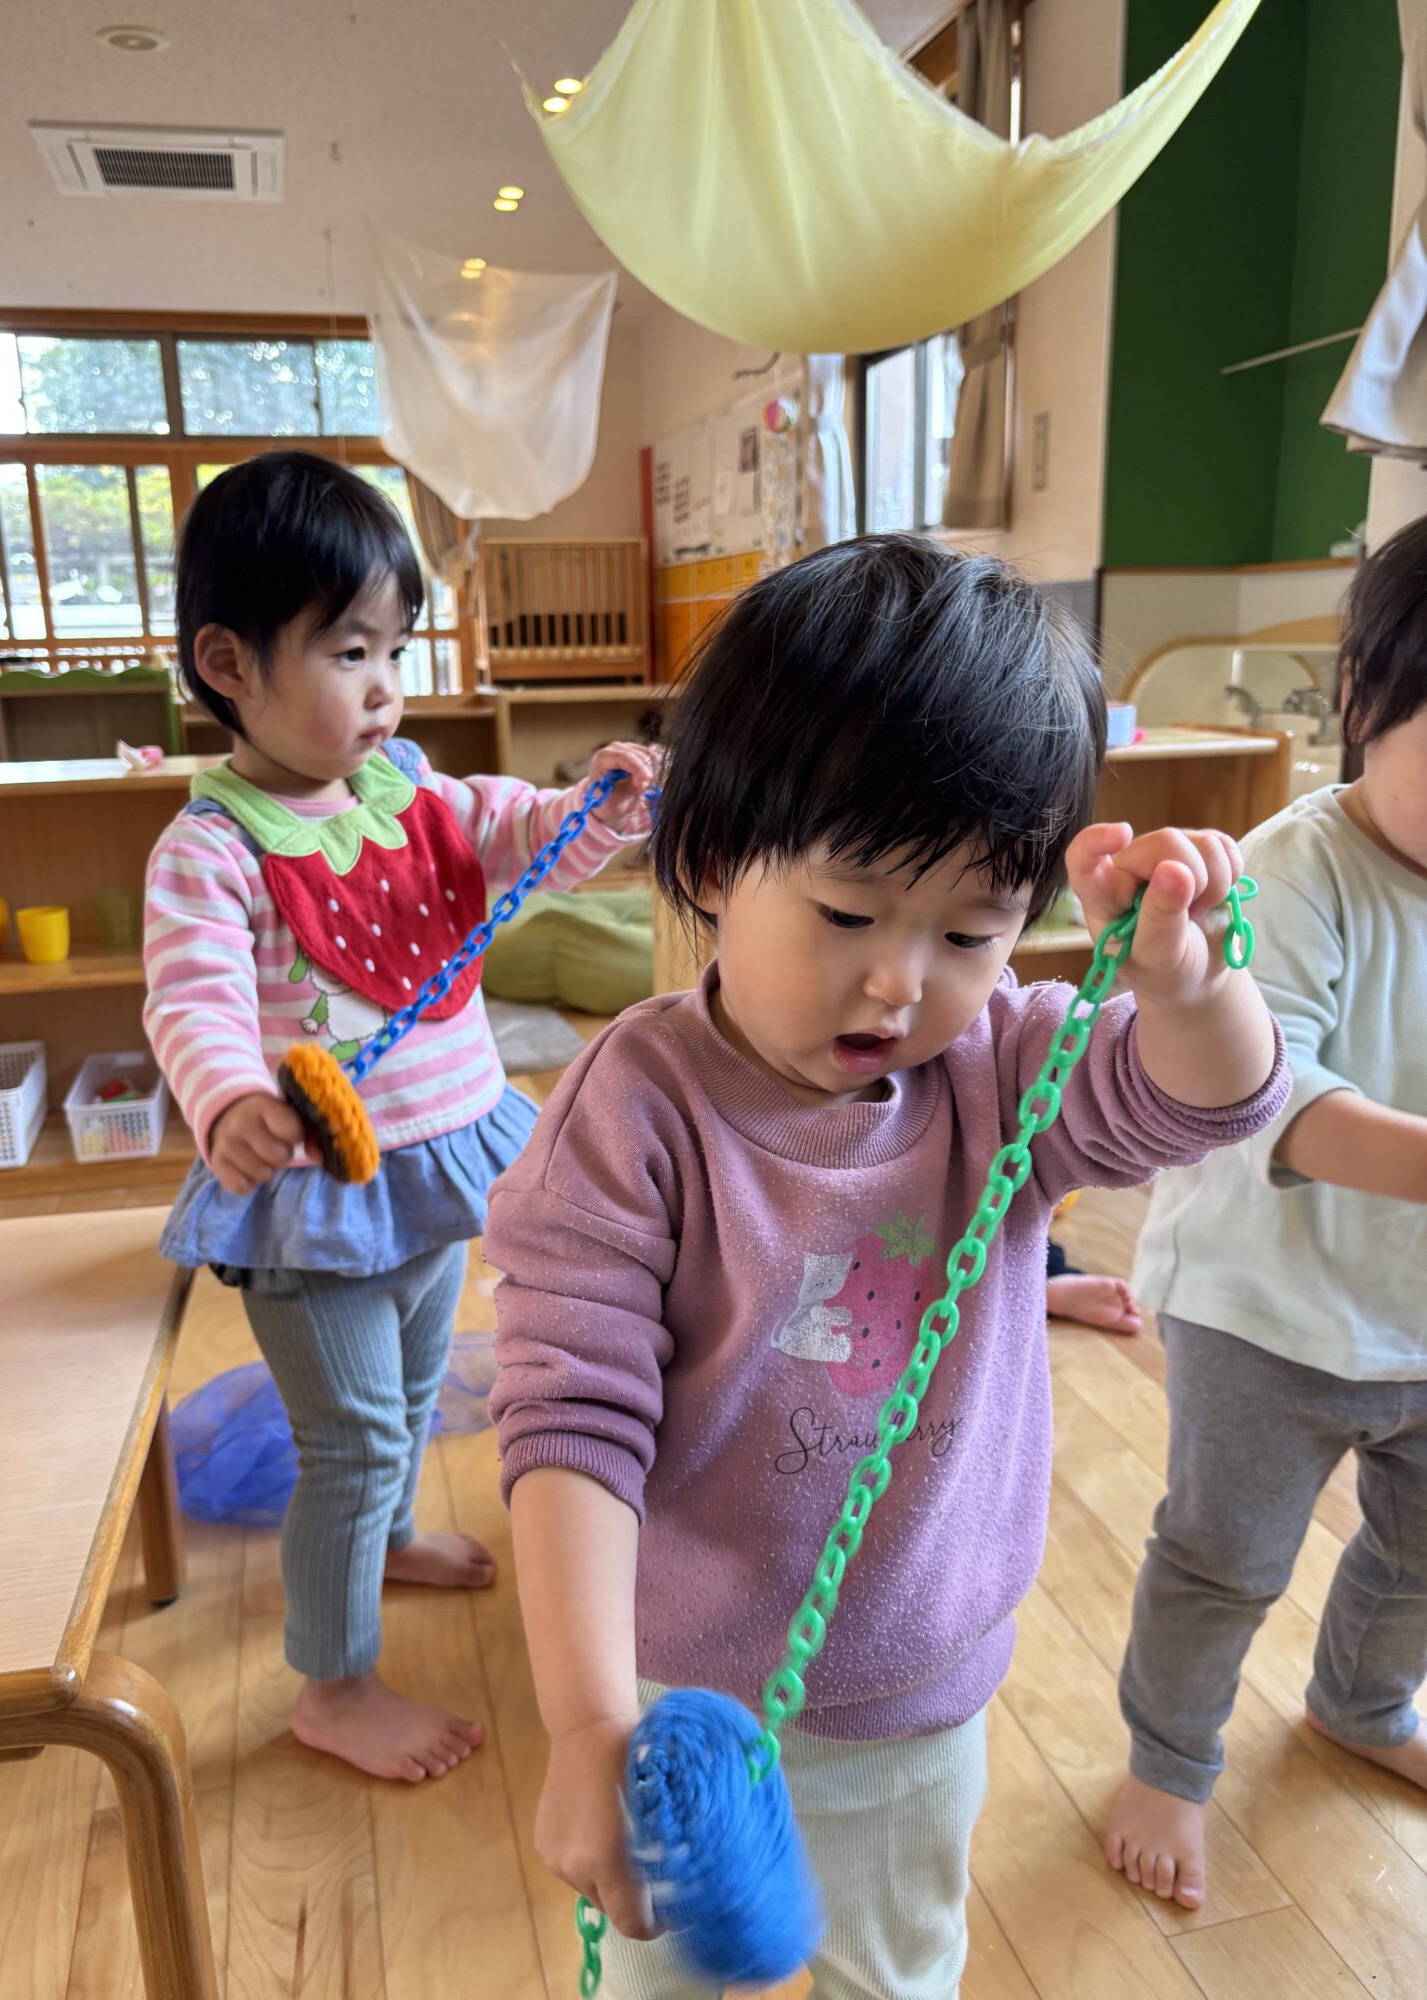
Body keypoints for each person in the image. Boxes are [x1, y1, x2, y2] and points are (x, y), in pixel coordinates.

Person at [487, 535, 1287, 2000]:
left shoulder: (1003, 1065)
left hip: (921, 1689)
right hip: (682, 1693)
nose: (899, 980)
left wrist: (1191, 987)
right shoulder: (635, 1111)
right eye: (849, 914)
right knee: (672, 1979)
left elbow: (1206, 1103)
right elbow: (569, 1416)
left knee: (899, 1968)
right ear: (714, 864)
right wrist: (590, 1720)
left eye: (971, 931)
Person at [143, 450, 656, 1783]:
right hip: (313, 1204)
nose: (386, 686)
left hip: (438, 1171)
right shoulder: (213, 847)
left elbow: (527, 831)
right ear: (230, 663)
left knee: (418, 1396)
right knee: (357, 1439)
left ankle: (383, 1543)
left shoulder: (413, 791)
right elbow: (192, 996)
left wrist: (593, 808)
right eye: (349, 652)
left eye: (396, 650)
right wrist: (228, 1095)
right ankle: (333, 1683)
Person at [1106, 517, 1427, 1910]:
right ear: (1363, 698)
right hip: (1262, 1311)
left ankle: (1363, 1700)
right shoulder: (1297, 871)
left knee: (1421, 1557)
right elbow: (1275, 1102)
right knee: (1223, 1558)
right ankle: (1168, 1760)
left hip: (1416, 1313)